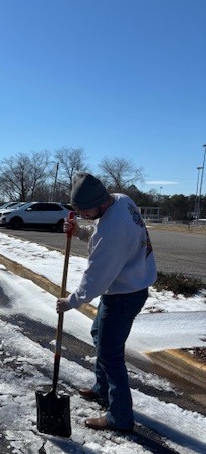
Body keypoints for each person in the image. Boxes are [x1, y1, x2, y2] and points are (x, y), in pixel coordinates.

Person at [56, 172, 157, 432]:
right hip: (129, 284)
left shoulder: (111, 231)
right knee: (99, 333)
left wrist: (70, 302)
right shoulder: (121, 201)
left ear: (99, 202)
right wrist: (80, 232)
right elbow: (100, 233)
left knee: (110, 353)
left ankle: (120, 417)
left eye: (84, 211)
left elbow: (96, 278)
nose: (82, 215)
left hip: (124, 293)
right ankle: (103, 389)